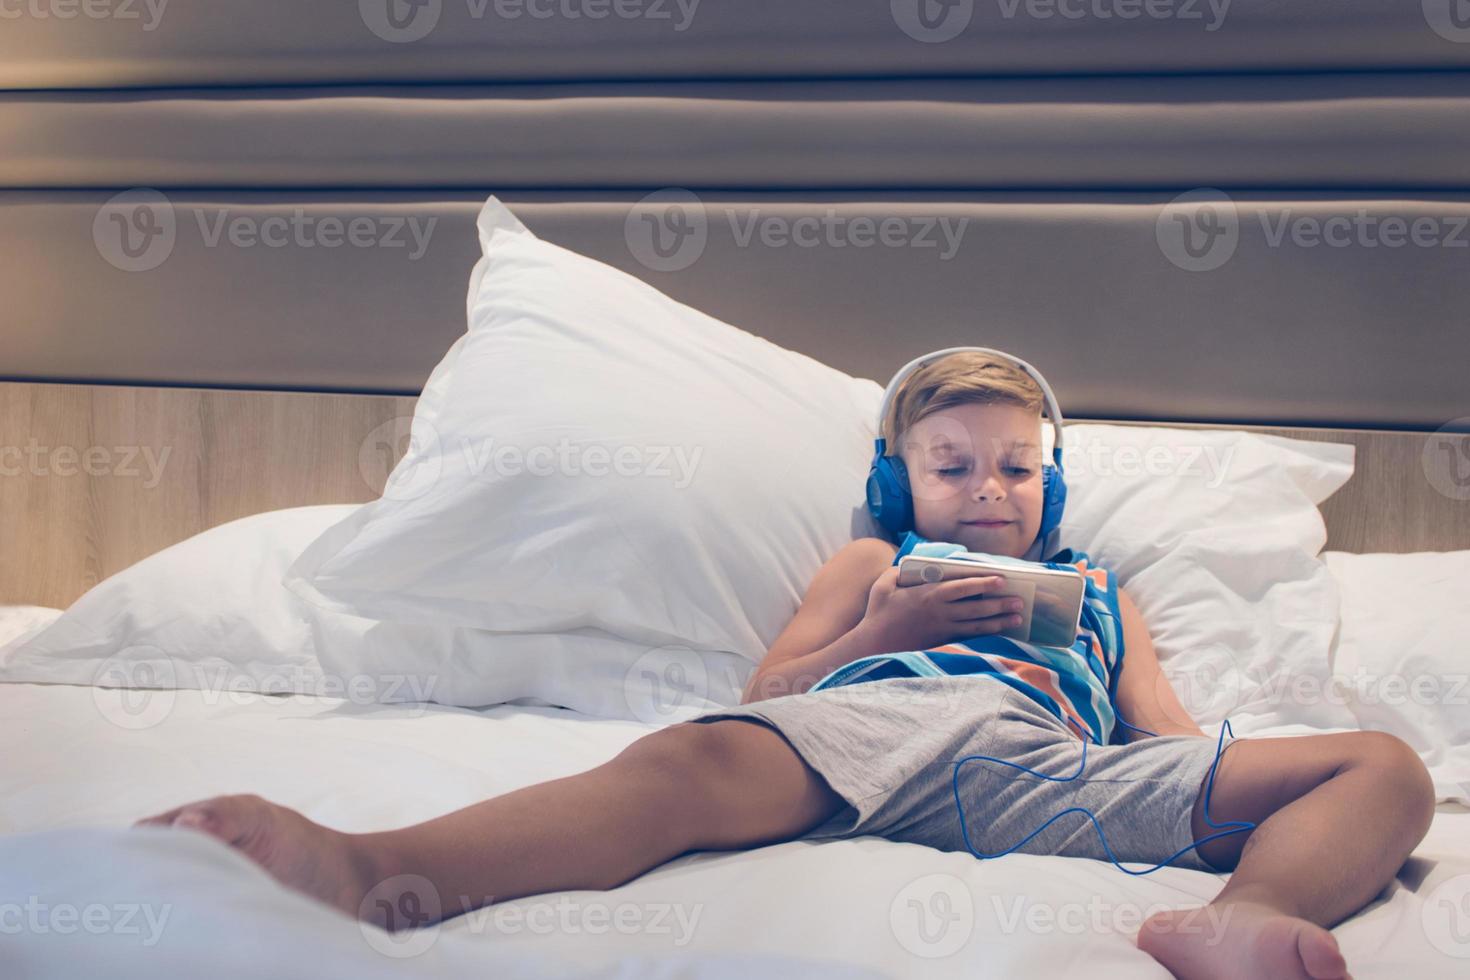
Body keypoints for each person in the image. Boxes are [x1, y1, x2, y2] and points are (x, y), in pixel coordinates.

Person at [137, 350, 1435, 980]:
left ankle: (1244, 920)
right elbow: (765, 696)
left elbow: (1158, 728)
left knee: (1383, 771)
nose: (988, 487)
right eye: (952, 466)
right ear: (896, 480)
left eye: (1017, 467)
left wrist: (1188, 779)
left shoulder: (1101, 592)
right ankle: (375, 870)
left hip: (1048, 769)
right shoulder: (868, 569)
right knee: (691, 765)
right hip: (861, 735)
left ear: (1049, 485)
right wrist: (887, 634)